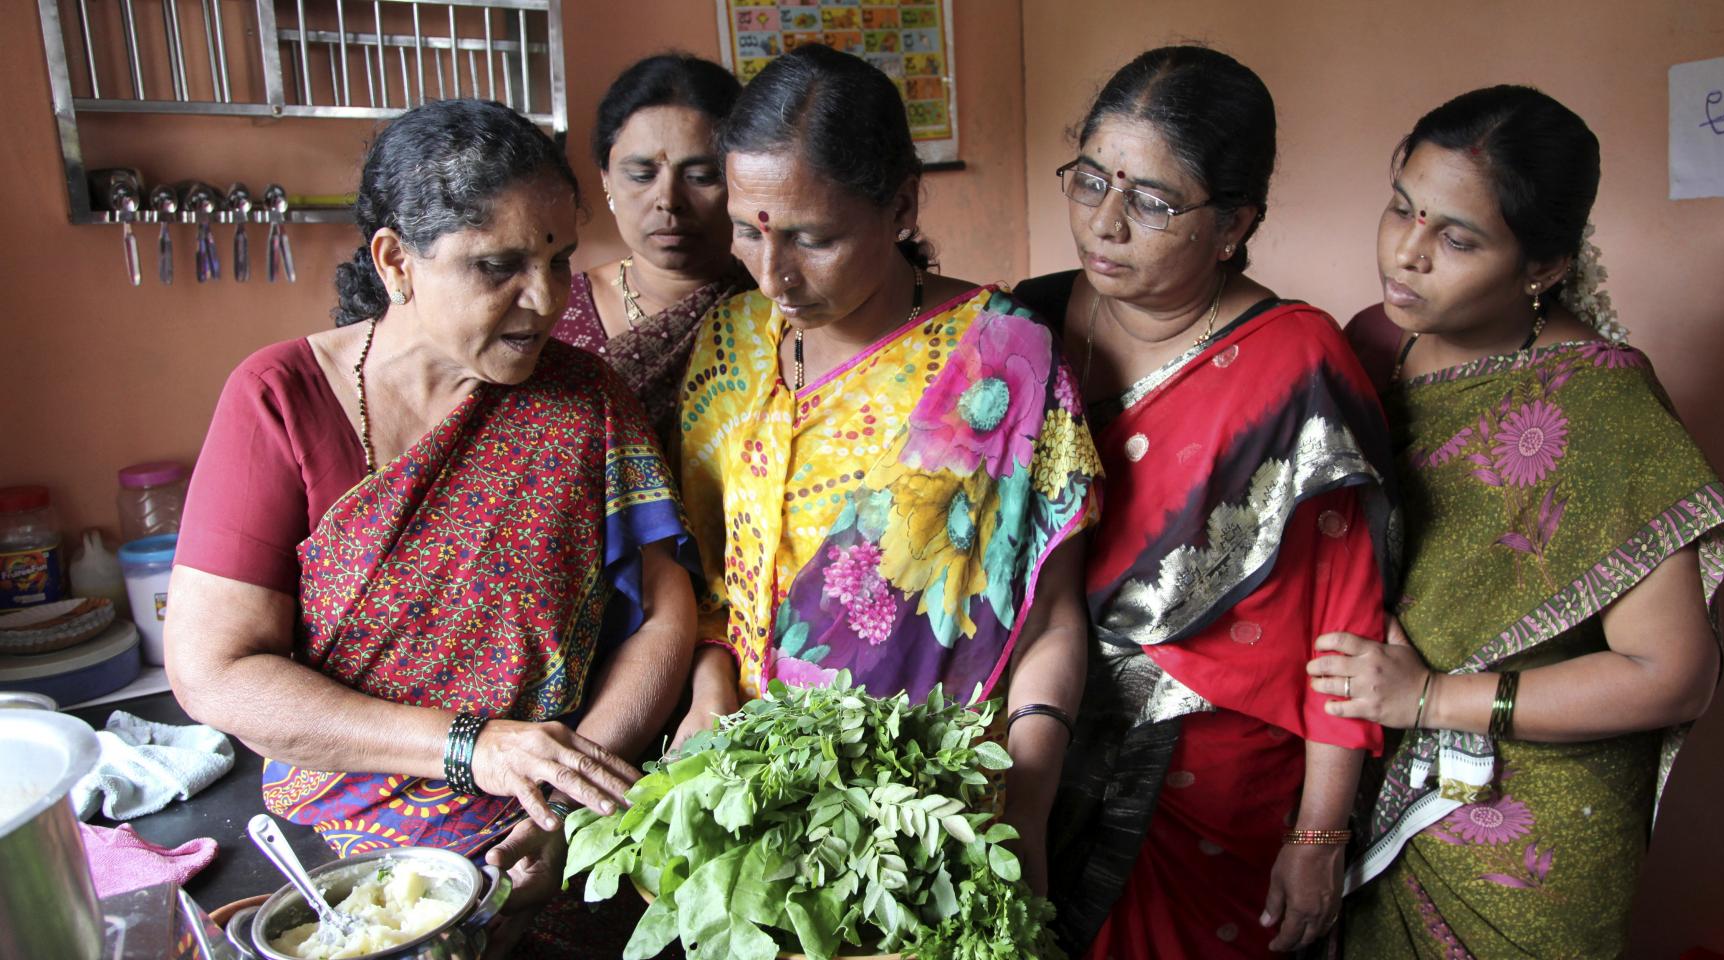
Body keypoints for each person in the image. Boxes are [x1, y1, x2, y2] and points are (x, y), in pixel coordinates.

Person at [163, 99, 697, 955]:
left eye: (559, 260)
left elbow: (666, 617)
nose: (546, 299)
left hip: (546, 840)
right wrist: (468, 747)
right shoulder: (281, 398)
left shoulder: (586, 400)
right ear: (396, 261)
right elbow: (214, 673)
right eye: (501, 266)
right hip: (344, 865)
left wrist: (571, 792)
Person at [1320, 85, 1724, 957]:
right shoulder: (1371, 343)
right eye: (1402, 207)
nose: (1406, 253)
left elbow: (1673, 674)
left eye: (1457, 237)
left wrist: (1433, 698)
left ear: (1543, 266)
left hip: (1522, 835)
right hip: (1366, 775)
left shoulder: (1603, 404)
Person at [673, 44, 1103, 891]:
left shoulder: (999, 359)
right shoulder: (730, 340)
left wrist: (1027, 809)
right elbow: (711, 580)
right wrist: (706, 693)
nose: (774, 275)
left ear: (902, 205)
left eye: (814, 238)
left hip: (930, 814)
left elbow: (1050, 619)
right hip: (744, 797)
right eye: (749, 231)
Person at [1015, 47, 1398, 959]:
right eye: (1091, 180)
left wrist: (1318, 836)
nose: (1105, 223)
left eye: (1151, 201)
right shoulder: (1023, 326)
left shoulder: (1297, 370)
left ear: (1233, 223)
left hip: (1213, 790)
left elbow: (1346, 623)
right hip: (1033, 744)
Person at [554, 53, 753, 447]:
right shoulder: (557, 308)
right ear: (606, 180)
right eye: (642, 175)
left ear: (741, 180)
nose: (669, 200)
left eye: (701, 176)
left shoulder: (773, 311)